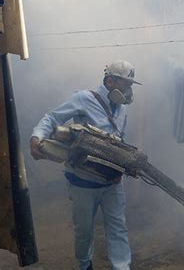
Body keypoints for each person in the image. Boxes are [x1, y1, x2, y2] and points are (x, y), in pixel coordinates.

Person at [30, 60, 141, 270]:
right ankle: (84, 265)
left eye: (131, 85)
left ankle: (121, 267)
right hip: (82, 181)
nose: (129, 89)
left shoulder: (122, 110)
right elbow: (52, 118)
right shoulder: (83, 98)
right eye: (126, 84)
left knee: (118, 228)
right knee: (84, 230)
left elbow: (118, 141)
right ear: (110, 81)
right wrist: (36, 137)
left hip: (112, 182)